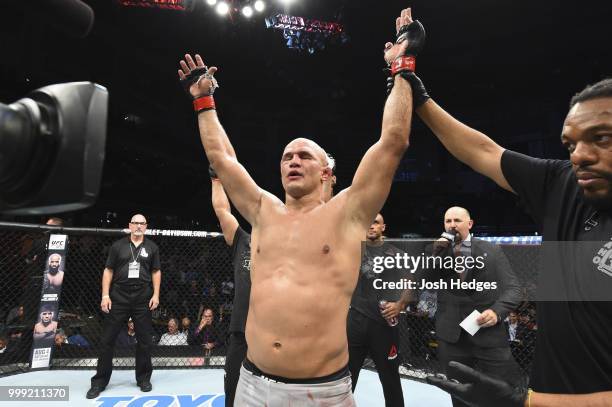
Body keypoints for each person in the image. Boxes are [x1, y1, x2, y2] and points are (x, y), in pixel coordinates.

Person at [177, 6, 420, 405]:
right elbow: (222, 160)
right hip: (252, 384)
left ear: (326, 172)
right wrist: (204, 102)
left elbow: (393, 142)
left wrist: (403, 66)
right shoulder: (262, 210)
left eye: (305, 156)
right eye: (287, 156)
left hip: (321, 392)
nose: (293, 160)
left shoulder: (347, 214)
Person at [414, 73, 612, 404]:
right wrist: (418, 97)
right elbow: (482, 151)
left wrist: (526, 403)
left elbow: (511, 290)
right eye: (571, 144)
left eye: (602, 137)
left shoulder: (490, 251)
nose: (579, 155)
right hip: (540, 388)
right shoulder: (564, 183)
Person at [211, 155, 337, 406]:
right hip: (241, 329)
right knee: (232, 394)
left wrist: (324, 178)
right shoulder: (242, 240)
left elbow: (322, 215)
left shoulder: (287, 240)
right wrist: (216, 179)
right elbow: (222, 210)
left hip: (282, 334)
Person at [427, 206, 522, 406]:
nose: (452, 225)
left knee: (503, 393)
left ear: (469, 224)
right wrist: (437, 252)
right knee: (458, 394)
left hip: (488, 335)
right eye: (448, 221)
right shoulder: (435, 251)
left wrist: (496, 312)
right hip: (451, 337)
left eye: (457, 221)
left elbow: (514, 288)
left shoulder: (491, 250)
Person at [87, 214, 161, 399]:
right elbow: (108, 270)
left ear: (146, 226)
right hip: (119, 295)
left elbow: (156, 271)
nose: (138, 226)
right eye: (135, 223)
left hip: (143, 295)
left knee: (145, 340)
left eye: (141, 223)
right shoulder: (118, 246)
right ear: (129, 225)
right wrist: (105, 295)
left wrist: (156, 294)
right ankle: (99, 382)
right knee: (107, 340)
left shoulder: (152, 247)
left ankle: (143, 379)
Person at [347, 213, 409, 406]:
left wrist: (400, 304)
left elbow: (410, 283)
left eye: (375, 222)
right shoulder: (352, 251)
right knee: (347, 376)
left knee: (390, 377)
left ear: (383, 227)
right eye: (367, 222)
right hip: (355, 319)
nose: (371, 226)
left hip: (384, 323)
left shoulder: (397, 253)